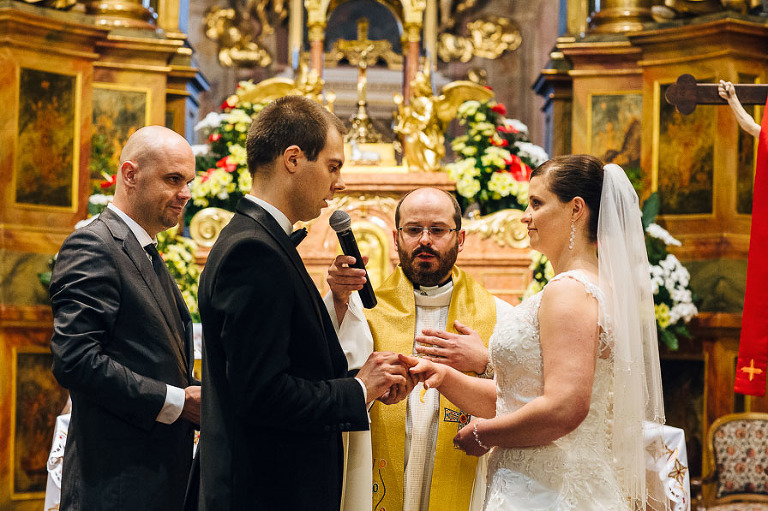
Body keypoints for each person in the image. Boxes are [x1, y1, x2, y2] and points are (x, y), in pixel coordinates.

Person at [401, 155, 666, 510]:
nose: (526, 216)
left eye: (537, 203)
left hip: (549, 489)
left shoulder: (570, 290)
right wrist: (445, 377)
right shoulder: (589, 285)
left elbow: (565, 407)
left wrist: (484, 433)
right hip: (541, 483)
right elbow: (519, 398)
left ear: (576, 209)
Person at [196, 95, 409, 511]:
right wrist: (358, 389)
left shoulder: (262, 240)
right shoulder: (253, 252)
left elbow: (289, 360)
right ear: (293, 159)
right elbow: (262, 394)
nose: (340, 183)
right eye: (333, 166)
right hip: (266, 493)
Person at [325, 187, 514, 511]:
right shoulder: (363, 310)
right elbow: (330, 383)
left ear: (460, 238)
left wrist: (485, 362)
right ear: (396, 238)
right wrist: (338, 301)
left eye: (438, 230)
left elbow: (526, 398)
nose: (425, 240)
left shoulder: (498, 314)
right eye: (413, 230)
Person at [50, 125, 201, 510]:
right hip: (115, 485)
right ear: (130, 175)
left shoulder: (144, 249)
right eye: (173, 179)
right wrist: (177, 402)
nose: (186, 193)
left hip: (155, 482)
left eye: (188, 182)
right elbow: (76, 361)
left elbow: (157, 361)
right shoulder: (94, 245)